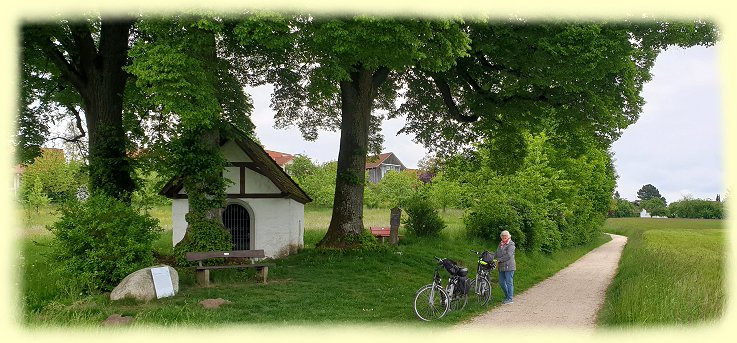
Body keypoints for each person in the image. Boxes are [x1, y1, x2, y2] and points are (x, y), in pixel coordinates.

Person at [493, 230, 516, 304]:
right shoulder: (501, 244)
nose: (504, 237)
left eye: (505, 236)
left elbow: (509, 255)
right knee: (502, 282)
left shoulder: (511, 245)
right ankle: (507, 296)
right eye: (502, 236)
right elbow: (496, 253)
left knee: (509, 282)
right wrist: (490, 257)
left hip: (509, 266)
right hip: (501, 266)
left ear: (508, 236)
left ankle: (510, 298)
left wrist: (499, 260)